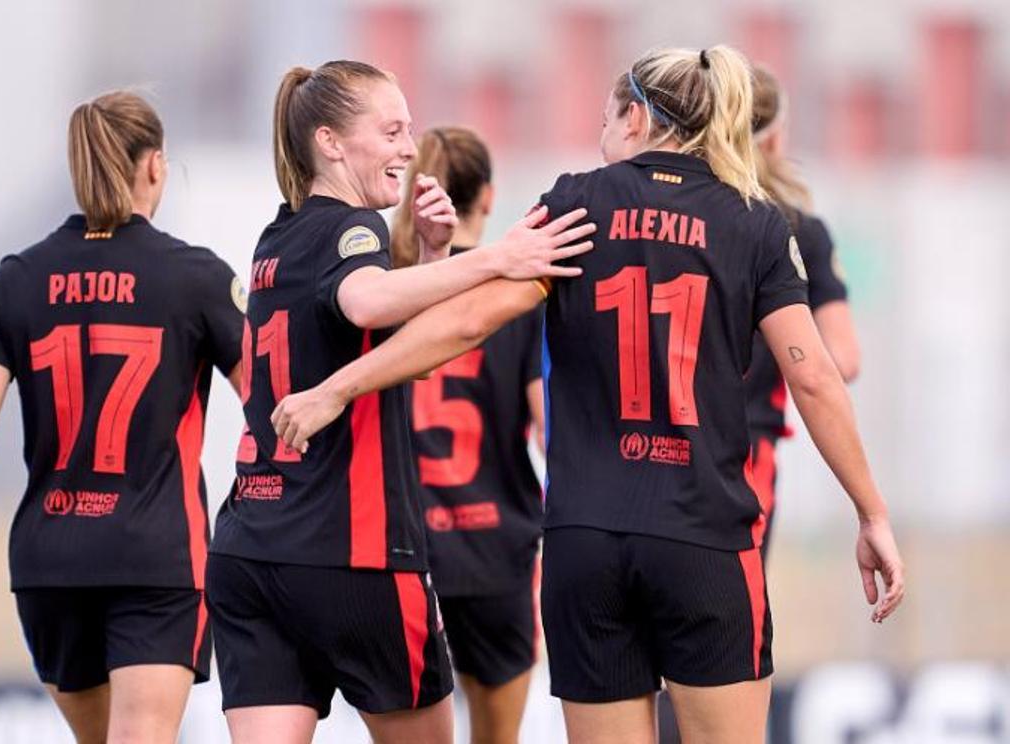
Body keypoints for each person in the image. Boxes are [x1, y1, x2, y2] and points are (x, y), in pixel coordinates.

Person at [269, 46, 906, 744]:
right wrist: (870, 513)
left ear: (636, 117)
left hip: (583, 546)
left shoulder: (578, 201)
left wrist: (337, 388)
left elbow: (470, 320)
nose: (602, 135)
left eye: (607, 117)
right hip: (704, 539)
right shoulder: (753, 221)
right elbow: (815, 372)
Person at [205, 60, 594, 744]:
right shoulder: (352, 229)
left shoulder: (279, 235)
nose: (410, 149)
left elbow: (358, 332)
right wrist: (496, 256)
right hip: (355, 555)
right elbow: (362, 298)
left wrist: (433, 258)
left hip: (253, 548)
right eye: (391, 130)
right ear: (330, 142)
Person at [0, 91, 246, 744]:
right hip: (155, 555)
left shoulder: (12, 282)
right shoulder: (195, 278)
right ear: (155, 167)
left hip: (50, 560)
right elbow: (273, 399)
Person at [391, 126, 545, 744]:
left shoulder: (393, 286)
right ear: (488, 195)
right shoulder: (520, 298)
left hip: (404, 549)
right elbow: (549, 428)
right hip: (495, 551)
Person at [744, 64, 862, 561]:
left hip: (647, 450)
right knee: (730, 627)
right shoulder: (797, 229)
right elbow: (843, 359)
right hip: (743, 452)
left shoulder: (679, 214)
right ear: (773, 139)